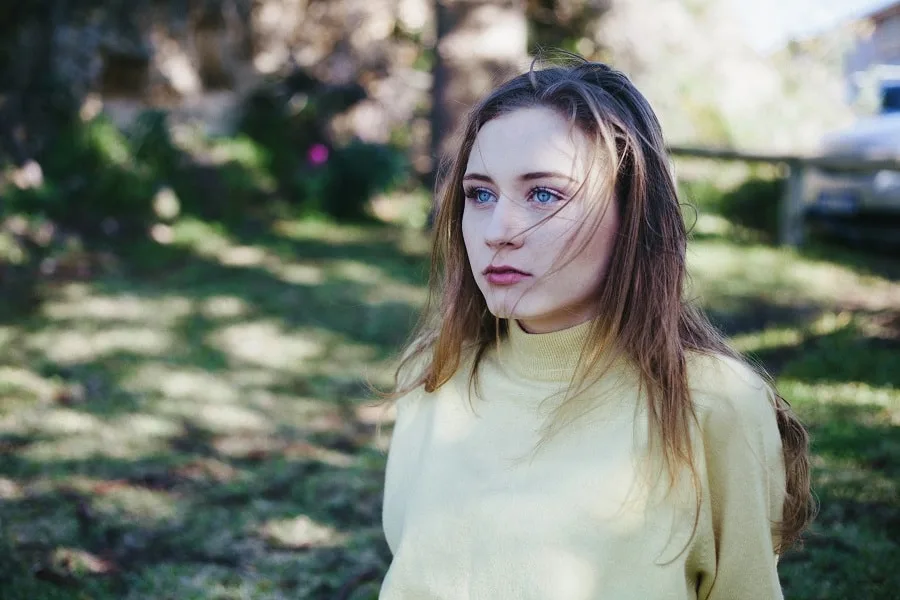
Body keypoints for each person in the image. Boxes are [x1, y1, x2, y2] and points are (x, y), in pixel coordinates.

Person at [375, 56, 814, 600]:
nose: (498, 230)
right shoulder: (432, 373)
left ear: (632, 213)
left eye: (544, 194)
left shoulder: (714, 403)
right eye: (480, 194)